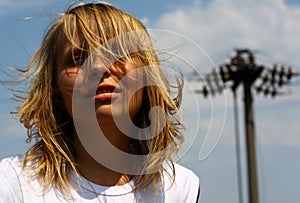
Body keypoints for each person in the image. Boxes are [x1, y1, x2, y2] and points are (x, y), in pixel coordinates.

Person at [0, 2, 200, 202]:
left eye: (117, 54)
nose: (98, 67)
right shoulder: (14, 183)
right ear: (55, 93)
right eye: (77, 59)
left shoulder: (178, 189)